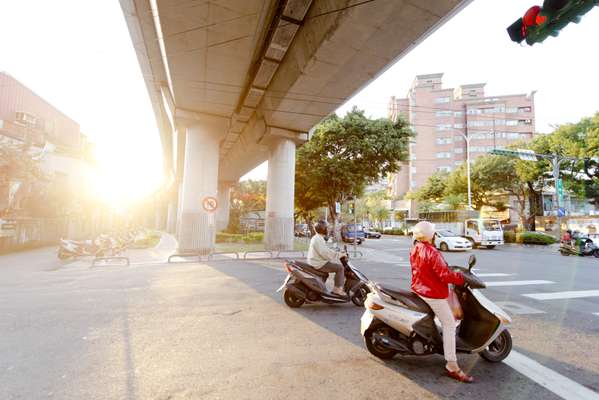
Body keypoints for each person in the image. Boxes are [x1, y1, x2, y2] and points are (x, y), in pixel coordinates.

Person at [410, 221, 473, 383]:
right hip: (432, 293)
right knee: (450, 324)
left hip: (420, 288)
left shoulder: (416, 247)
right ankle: (452, 365)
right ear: (430, 235)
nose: (435, 234)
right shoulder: (432, 252)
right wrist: (461, 278)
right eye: (434, 232)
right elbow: (444, 275)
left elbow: (433, 270)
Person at [307, 220, 347, 296]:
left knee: (328, 272)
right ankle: (337, 290)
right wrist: (338, 255)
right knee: (340, 268)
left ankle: (319, 289)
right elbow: (325, 253)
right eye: (326, 228)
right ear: (323, 229)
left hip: (316, 261)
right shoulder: (318, 239)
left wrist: (335, 251)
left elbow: (325, 249)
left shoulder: (318, 238)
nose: (328, 230)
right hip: (318, 263)